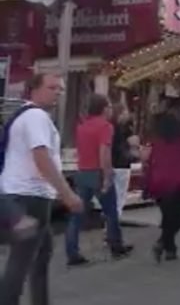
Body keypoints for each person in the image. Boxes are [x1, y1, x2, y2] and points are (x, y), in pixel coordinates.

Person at [0, 73, 84, 305]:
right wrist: (66, 193)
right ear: (34, 89)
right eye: (52, 87)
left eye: (60, 88)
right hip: (29, 197)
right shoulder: (36, 116)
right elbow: (41, 156)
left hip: (24, 196)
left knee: (40, 253)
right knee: (21, 261)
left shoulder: (25, 117)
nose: (57, 92)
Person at [65, 93, 133, 266]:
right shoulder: (105, 126)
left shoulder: (82, 126)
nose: (111, 110)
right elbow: (104, 153)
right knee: (111, 212)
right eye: (109, 106)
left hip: (83, 172)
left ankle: (72, 252)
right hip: (98, 172)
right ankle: (116, 246)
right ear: (104, 108)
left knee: (77, 215)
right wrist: (107, 176)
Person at [142, 102, 180, 262]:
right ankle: (162, 242)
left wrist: (147, 174)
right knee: (179, 218)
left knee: (167, 216)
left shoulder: (156, 141)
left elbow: (144, 159)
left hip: (158, 183)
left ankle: (170, 250)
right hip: (178, 184)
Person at [110, 103, 139, 220]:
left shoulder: (110, 126)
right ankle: (114, 222)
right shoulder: (122, 128)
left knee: (113, 195)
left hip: (112, 163)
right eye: (125, 112)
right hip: (122, 164)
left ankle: (110, 220)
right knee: (120, 195)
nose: (127, 115)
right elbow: (130, 144)